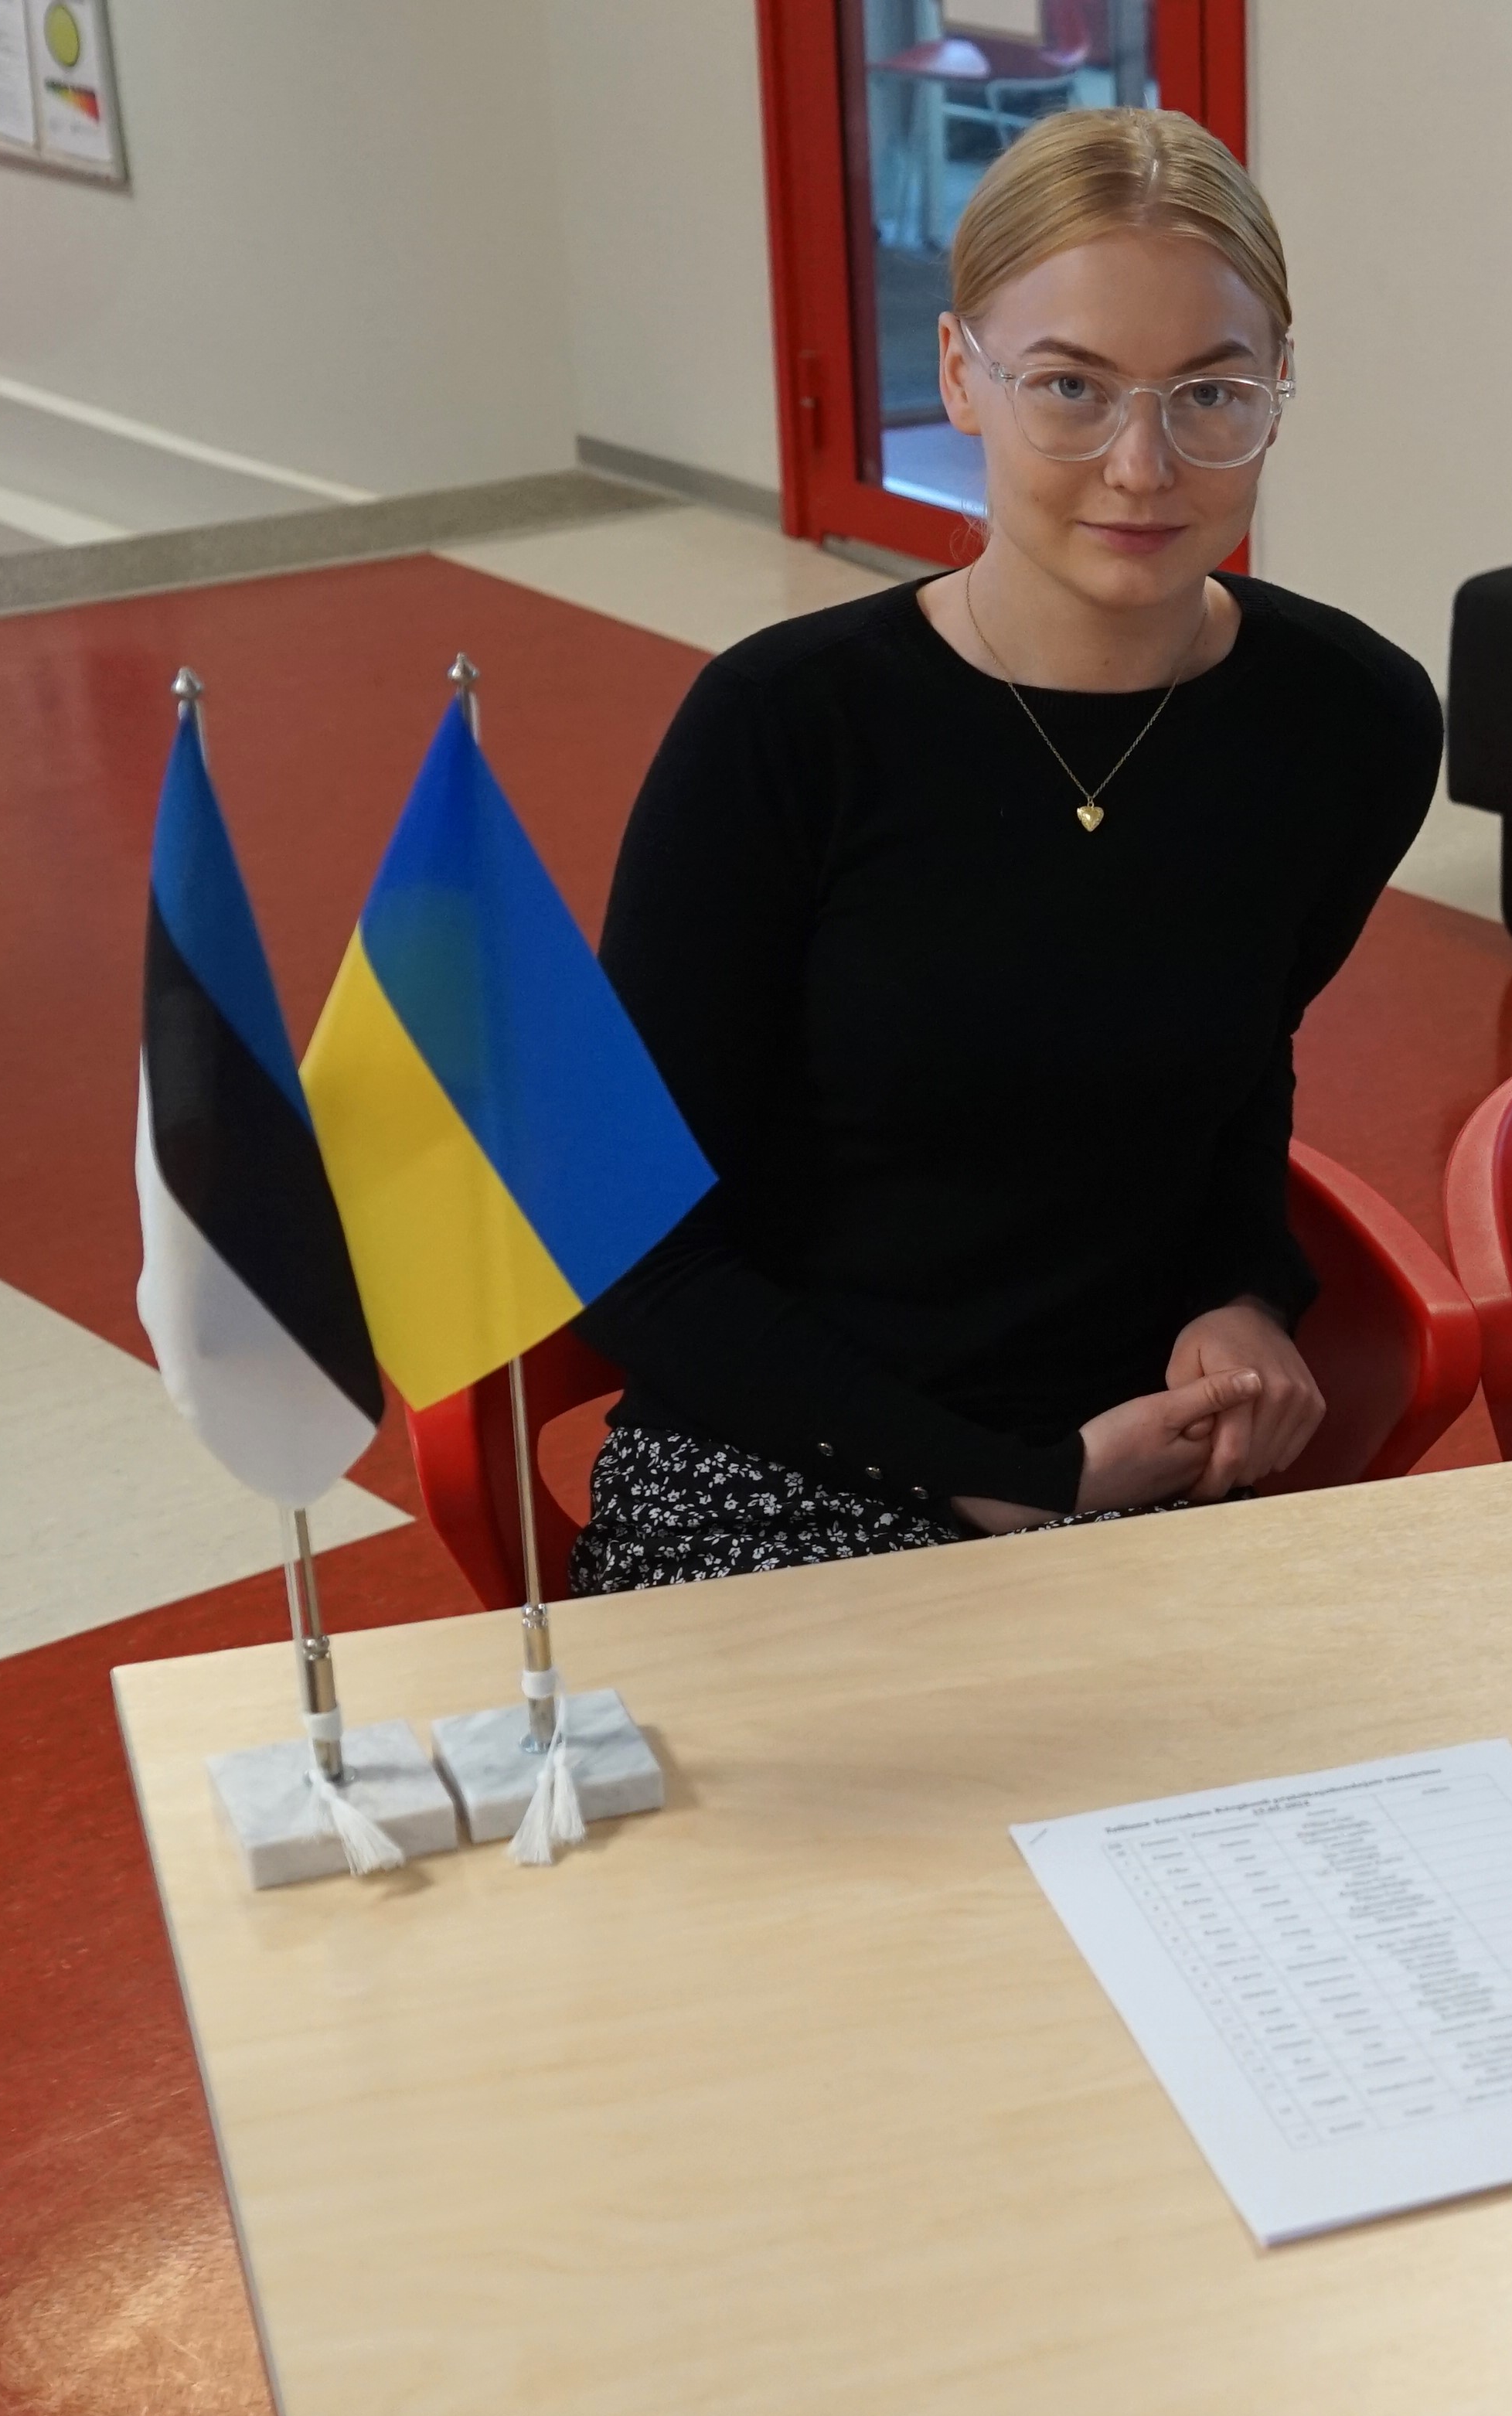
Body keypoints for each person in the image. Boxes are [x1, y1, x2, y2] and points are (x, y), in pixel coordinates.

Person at [573, 107, 1439, 1592]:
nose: (1142, 465)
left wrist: (1246, 1289)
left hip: (1141, 1451)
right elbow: (629, 1250)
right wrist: (1003, 1479)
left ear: (1279, 390)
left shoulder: (1351, 721)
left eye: (1211, 392)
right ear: (960, 376)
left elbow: (1237, 1069)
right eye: (1071, 387)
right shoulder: (783, 727)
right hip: (784, 1450)